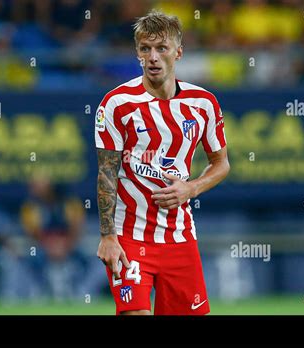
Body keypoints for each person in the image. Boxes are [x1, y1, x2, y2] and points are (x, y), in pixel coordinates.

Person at [95, 10, 230, 315]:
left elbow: (221, 163)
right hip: (128, 235)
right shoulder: (116, 104)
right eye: (145, 49)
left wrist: (191, 189)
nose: (153, 57)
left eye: (161, 48)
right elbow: (106, 174)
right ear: (137, 52)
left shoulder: (203, 104)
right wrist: (107, 237)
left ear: (178, 52)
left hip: (179, 236)